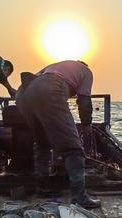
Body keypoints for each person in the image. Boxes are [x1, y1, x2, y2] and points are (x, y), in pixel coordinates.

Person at [16, 60, 100, 208]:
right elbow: (84, 101)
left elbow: (32, 79)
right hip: (51, 90)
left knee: (42, 144)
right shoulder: (86, 71)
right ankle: (79, 197)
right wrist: (86, 124)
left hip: (24, 95)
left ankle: (42, 188)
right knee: (73, 149)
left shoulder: (55, 66)